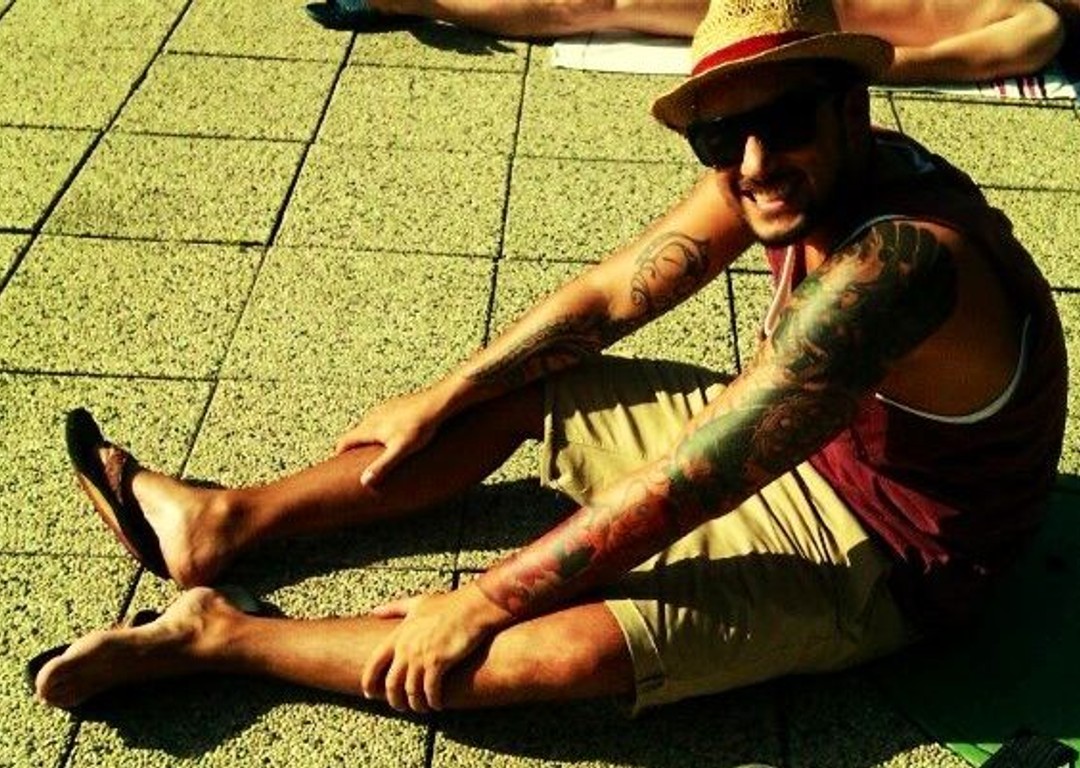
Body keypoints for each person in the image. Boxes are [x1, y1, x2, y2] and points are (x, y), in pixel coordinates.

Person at [33, 0, 1066, 718]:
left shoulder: (899, 264)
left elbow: (702, 476)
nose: (753, 163)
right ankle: (224, 522)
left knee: (551, 653)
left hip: (890, 552)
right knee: (523, 387)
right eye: (723, 139)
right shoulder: (774, 170)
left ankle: (221, 636)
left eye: (783, 123)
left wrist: (481, 598)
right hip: (786, 436)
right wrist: (445, 393)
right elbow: (617, 293)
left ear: (851, 107)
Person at [306, 0, 1080, 83]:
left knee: (593, 5)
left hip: (780, 12)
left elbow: (907, 62)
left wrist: (796, 63)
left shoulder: (1038, 23)